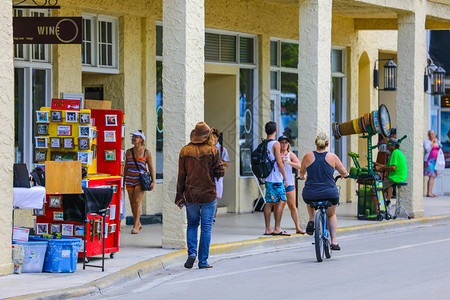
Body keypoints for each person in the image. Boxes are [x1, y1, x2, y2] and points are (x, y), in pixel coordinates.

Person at [175, 122, 225, 269]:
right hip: (208, 194)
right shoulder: (213, 151)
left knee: (192, 225)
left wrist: (179, 196)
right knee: (206, 228)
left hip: (191, 194)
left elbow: (181, 176)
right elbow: (220, 172)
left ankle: (191, 254)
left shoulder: (185, 151)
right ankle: (203, 262)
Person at [299, 132, 347, 251]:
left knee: (309, 199)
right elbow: (344, 172)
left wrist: (302, 177)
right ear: (327, 144)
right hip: (329, 193)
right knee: (331, 214)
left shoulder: (307, 156)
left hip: (311, 193)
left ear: (315, 143)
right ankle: (334, 241)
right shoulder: (332, 157)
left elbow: (301, 173)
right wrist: (344, 175)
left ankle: (311, 218)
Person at [123, 130, 155, 234]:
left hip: (140, 180)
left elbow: (150, 167)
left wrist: (153, 181)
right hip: (129, 179)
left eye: (135, 137)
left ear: (141, 139)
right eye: (132, 136)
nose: (133, 138)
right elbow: (126, 167)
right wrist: (124, 180)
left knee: (137, 202)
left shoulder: (146, 152)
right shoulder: (129, 151)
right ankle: (138, 223)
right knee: (132, 203)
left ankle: (135, 226)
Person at [263, 121, 290, 236]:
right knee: (282, 201)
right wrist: (285, 178)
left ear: (266, 131)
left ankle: (268, 228)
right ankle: (277, 228)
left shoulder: (264, 143)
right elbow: (279, 162)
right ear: (276, 131)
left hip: (268, 178)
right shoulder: (276, 144)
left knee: (269, 202)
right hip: (276, 179)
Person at [278, 135, 306, 234]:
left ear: (288, 144)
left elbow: (300, 166)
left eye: (286, 142)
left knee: (292, 206)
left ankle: (297, 227)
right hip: (278, 183)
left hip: (289, 183)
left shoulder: (290, 155)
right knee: (279, 206)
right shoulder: (276, 154)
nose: (284, 144)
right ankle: (278, 227)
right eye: (282, 142)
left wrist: (289, 162)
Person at [374, 137, 407, 205]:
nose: (386, 146)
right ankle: (383, 207)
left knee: (374, 189)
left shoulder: (395, 152)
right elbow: (387, 166)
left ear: (393, 145)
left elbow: (393, 167)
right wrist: (377, 164)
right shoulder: (397, 152)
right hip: (398, 177)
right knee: (382, 189)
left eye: (388, 144)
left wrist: (380, 167)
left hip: (396, 177)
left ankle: (377, 210)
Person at [211, 128, 229, 222]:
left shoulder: (222, 149)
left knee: (216, 196)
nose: (212, 139)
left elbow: (226, 163)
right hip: (209, 175)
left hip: (217, 176)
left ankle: (213, 215)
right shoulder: (208, 148)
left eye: (214, 137)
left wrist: (217, 162)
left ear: (217, 138)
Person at [423, 130, 442, 197]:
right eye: (430, 134)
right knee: (431, 176)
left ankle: (430, 192)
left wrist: (438, 146)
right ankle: (429, 193)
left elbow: (440, 146)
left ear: (434, 135)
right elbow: (427, 149)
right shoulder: (427, 141)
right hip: (429, 161)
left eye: (432, 134)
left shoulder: (436, 141)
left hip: (435, 161)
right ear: (428, 135)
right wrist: (433, 143)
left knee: (433, 177)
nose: (431, 135)